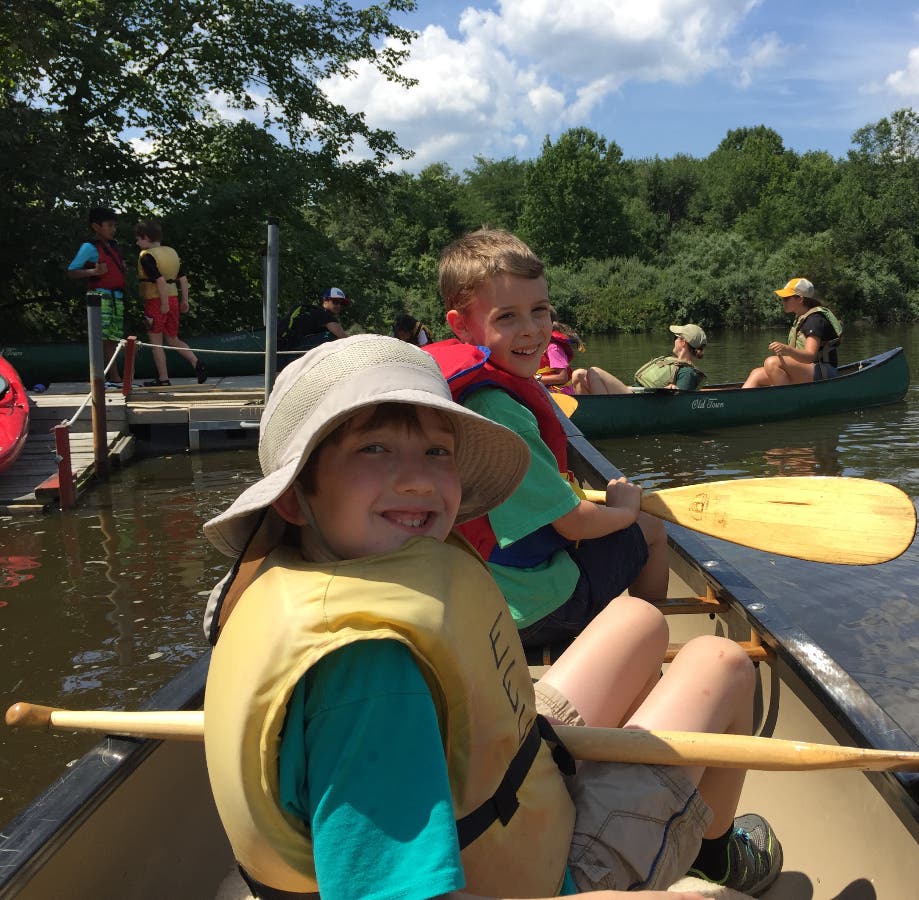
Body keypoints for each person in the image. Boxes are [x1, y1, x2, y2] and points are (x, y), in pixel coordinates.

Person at [200, 335, 783, 899]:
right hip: (538, 874)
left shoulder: (313, 569)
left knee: (638, 618)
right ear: (294, 493)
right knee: (723, 661)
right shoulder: (368, 673)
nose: (419, 477)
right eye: (373, 448)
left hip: (513, 774)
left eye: (437, 451)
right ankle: (715, 858)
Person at [424, 229, 670, 650]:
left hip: (477, 592)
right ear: (460, 326)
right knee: (652, 527)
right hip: (532, 610)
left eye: (540, 310)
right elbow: (573, 522)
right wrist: (625, 511)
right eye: (507, 316)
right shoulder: (502, 415)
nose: (532, 330)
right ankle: (651, 642)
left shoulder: (455, 394)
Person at [134, 220, 207, 386]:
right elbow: (183, 278)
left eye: (138, 239)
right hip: (173, 298)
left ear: (145, 237)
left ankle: (163, 378)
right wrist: (185, 300)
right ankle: (197, 363)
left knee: (156, 343)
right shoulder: (171, 253)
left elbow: (159, 281)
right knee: (173, 338)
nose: (137, 243)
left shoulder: (147, 256)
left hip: (156, 301)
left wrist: (163, 304)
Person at [742, 277, 842, 389]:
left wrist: (787, 349)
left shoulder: (815, 320)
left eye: (786, 298)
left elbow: (810, 356)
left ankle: (789, 401)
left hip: (824, 372)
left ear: (800, 299)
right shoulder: (801, 318)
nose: (782, 301)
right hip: (809, 369)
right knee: (756, 374)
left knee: (772, 363)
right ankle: (740, 403)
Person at [66, 206, 128, 386]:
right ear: (96, 226)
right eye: (109, 225)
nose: (113, 229)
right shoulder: (89, 247)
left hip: (116, 297)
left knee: (113, 338)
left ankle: (115, 378)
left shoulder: (113, 246)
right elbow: (71, 271)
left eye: (114, 225)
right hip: (100, 298)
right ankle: (102, 378)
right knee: (100, 337)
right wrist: (94, 271)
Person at [572, 324, 707, 395]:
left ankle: (600, 416)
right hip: (633, 392)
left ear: (683, 342)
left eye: (676, 337)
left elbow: (684, 404)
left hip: (637, 402)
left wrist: (674, 390)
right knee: (579, 374)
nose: (674, 340)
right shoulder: (673, 362)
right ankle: (586, 414)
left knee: (594, 371)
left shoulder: (688, 372)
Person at [278, 287, 350, 359]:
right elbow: (343, 337)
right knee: (332, 336)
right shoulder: (324, 315)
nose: (339, 306)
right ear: (325, 300)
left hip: (283, 349)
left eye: (342, 304)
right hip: (290, 353)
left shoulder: (313, 312)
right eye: (336, 302)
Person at [537, 321, 584, 393]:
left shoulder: (553, 349)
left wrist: (536, 379)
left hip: (562, 392)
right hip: (548, 389)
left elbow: (562, 377)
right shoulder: (538, 349)